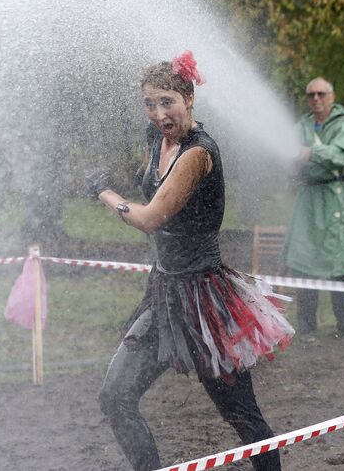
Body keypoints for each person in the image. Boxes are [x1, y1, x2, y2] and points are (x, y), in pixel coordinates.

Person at [87, 51, 293, 471]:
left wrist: (104, 193)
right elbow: (153, 188)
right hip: (164, 293)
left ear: (189, 98)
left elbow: (149, 217)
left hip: (205, 302)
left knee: (243, 418)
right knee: (115, 397)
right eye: (149, 103)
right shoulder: (155, 137)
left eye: (167, 102)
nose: (159, 113)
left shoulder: (199, 153)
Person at [281, 77, 344, 342]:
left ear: (331, 96)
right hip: (309, 197)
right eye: (311, 95)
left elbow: (341, 154)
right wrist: (292, 163)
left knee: (340, 258)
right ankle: (306, 327)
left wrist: (310, 153)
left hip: (337, 197)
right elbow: (288, 154)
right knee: (304, 259)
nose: (315, 99)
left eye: (321, 94)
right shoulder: (301, 125)